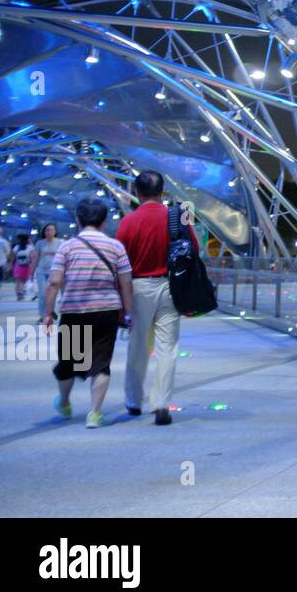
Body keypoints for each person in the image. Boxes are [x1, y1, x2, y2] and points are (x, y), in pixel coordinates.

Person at [43, 198, 133, 429]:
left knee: (69, 360)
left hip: (75, 310)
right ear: (104, 221)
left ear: (78, 220)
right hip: (107, 311)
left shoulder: (67, 246)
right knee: (101, 363)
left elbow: (54, 283)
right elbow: (126, 284)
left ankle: (64, 403)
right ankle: (95, 414)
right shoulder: (116, 247)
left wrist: (47, 313)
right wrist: (129, 313)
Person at [118, 170, 196, 425]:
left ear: (137, 192)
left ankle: (133, 401)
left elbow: (120, 264)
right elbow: (193, 250)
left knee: (139, 345)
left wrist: (121, 303)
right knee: (167, 348)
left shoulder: (128, 222)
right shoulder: (178, 217)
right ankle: (161, 403)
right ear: (162, 192)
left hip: (138, 287)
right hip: (170, 287)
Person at [31, 224, 63, 322]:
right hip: (41, 271)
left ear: (55, 231)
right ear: (44, 232)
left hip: (55, 271)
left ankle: (50, 311)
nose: (49, 232)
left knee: (53, 293)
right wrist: (32, 271)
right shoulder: (40, 243)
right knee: (42, 294)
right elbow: (36, 257)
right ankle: (42, 315)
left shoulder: (60, 242)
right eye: (47, 230)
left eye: (51, 230)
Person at [11, 233, 33, 301]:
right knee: (24, 281)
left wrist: (11, 264)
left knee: (18, 281)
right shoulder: (30, 247)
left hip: (18, 265)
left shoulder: (16, 247)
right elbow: (32, 257)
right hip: (27, 266)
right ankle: (22, 292)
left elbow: (13, 257)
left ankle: (18, 295)